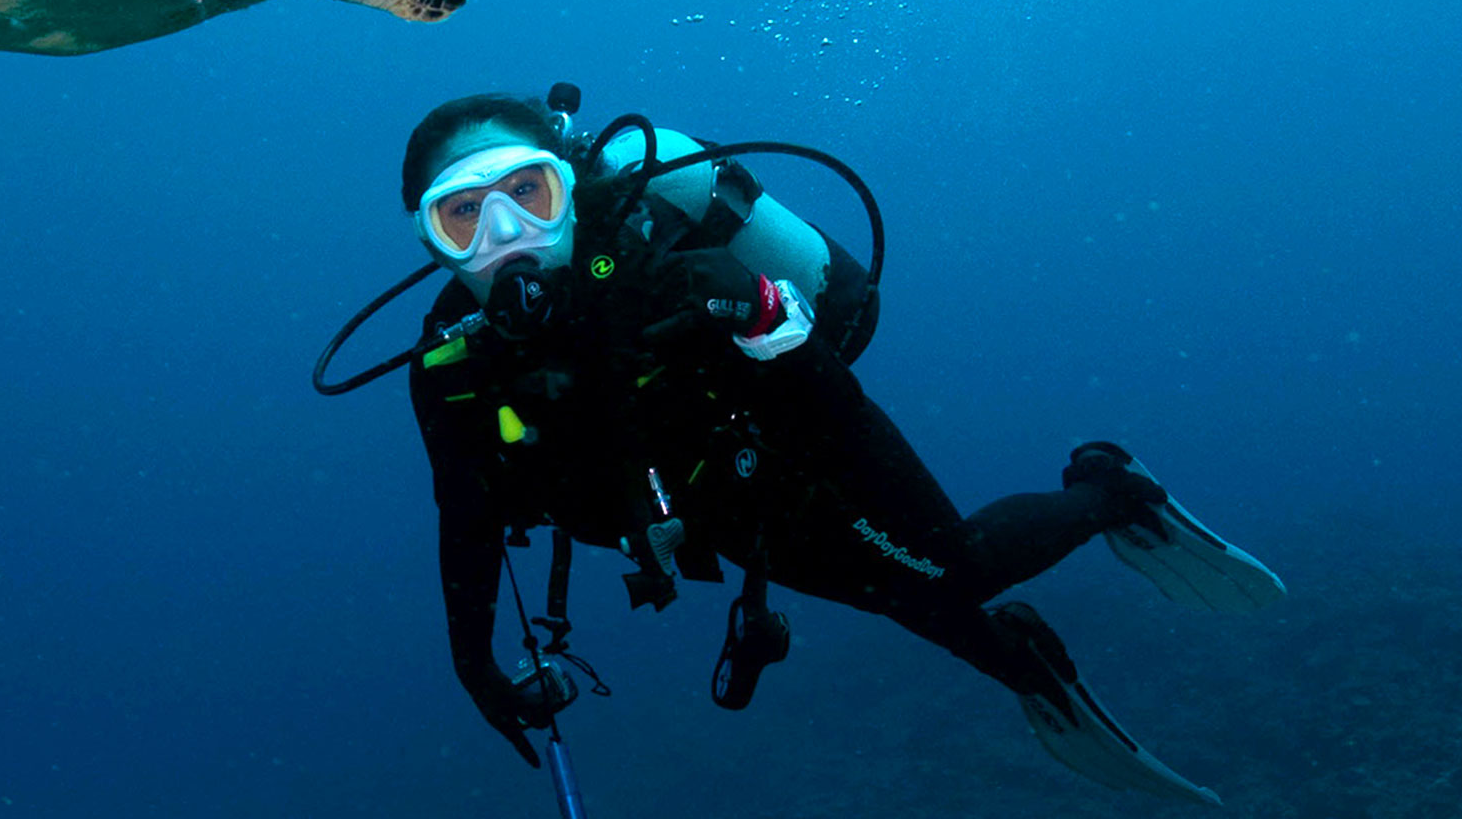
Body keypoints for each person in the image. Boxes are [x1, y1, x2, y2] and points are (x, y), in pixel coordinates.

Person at [398, 90, 1283, 805]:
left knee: (952, 571)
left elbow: (832, 399)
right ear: (432, 240)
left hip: (800, 440)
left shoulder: (666, 271)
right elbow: (467, 518)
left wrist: (759, 321)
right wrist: (474, 665)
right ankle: (1025, 659)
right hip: (717, 513)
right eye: (463, 216)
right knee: (893, 592)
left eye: (528, 195)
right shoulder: (453, 369)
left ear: (571, 189)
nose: (505, 237)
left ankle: (1113, 488)